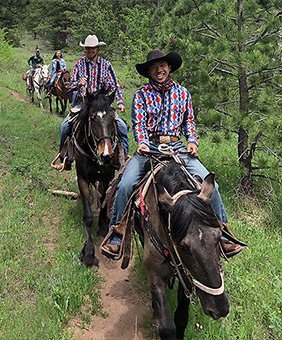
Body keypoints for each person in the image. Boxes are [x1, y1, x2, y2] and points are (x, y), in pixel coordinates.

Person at [102, 49, 244, 257]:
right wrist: (141, 143)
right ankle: (117, 234)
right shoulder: (141, 95)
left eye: (162, 66)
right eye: (154, 67)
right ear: (149, 72)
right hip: (149, 148)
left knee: (212, 186)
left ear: (169, 68)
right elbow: (139, 124)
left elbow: (189, 123)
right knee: (125, 184)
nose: (159, 70)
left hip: (178, 148)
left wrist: (193, 142)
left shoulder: (182, 93)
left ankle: (222, 233)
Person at [51, 35, 129, 171]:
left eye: (92, 48)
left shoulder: (106, 65)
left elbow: (115, 85)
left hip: (102, 104)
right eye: (88, 48)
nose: (90, 50)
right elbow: (70, 85)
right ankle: (64, 158)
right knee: (64, 127)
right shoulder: (79, 64)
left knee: (122, 126)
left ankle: (124, 159)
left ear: (97, 48)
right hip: (83, 102)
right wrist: (78, 83)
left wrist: (120, 102)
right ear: (85, 49)